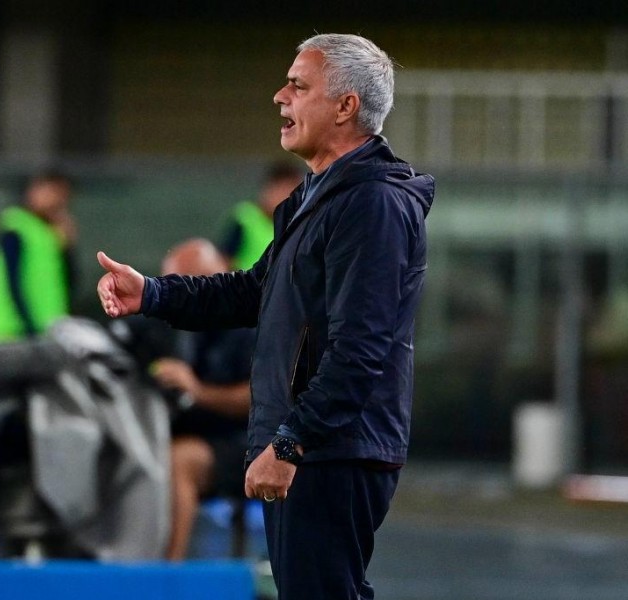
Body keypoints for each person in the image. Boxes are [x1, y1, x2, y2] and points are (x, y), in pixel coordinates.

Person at [96, 33, 435, 599]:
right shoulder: (314, 198)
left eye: (299, 86)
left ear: (346, 106)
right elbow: (253, 292)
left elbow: (361, 348)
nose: (280, 97)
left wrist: (291, 443)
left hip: (333, 451)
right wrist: (152, 293)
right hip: (314, 446)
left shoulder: (372, 204)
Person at [148, 239, 254, 561]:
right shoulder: (187, 327)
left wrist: (196, 391)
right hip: (205, 433)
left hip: (252, 444)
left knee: (180, 460)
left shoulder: (251, 323)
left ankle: (168, 576)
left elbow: (260, 397)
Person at [0, 170, 76, 341]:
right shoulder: (15, 227)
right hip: (10, 332)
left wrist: (68, 248)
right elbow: (12, 282)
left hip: (47, 331)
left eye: (62, 196)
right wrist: (30, 328)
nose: (57, 201)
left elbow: (69, 283)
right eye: (51, 192)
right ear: (33, 191)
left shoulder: (51, 234)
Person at [218, 162, 301, 270]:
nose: (286, 199)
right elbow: (224, 260)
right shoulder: (245, 218)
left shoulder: (300, 227)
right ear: (267, 190)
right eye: (281, 191)